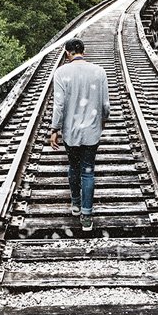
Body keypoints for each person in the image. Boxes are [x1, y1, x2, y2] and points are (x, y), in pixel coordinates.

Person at [49, 38, 110, 231]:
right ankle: (86, 215)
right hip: (91, 131)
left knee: (73, 166)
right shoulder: (99, 72)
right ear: (84, 51)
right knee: (88, 170)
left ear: (67, 53)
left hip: (71, 131)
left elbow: (58, 106)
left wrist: (54, 129)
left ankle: (75, 204)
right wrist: (103, 120)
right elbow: (105, 105)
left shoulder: (60, 73)